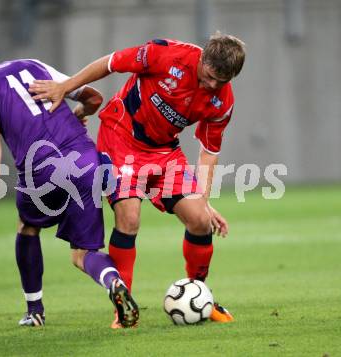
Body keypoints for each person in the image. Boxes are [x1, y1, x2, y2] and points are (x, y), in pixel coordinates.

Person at [28, 32, 246, 327]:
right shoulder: (164, 55)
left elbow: (209, 152)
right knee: (129, 218)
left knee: (199, 219)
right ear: (203, 59)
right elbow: (110, 63)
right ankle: (123, 307)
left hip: (164, 152)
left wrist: (203, 202)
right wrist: (64, 87)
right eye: (209, 77)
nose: (213, 85)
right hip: (121, 138)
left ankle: (199, 294)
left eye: (222, 81)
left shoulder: (223, 101)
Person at [0, 48, 139, 328]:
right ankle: (113, 281)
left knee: (27, 227)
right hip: (85, 160)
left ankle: (35, 310)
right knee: (83, 253)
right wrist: (78, 113)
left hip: (43, 167)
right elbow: (93, 97)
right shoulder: (33, 64)